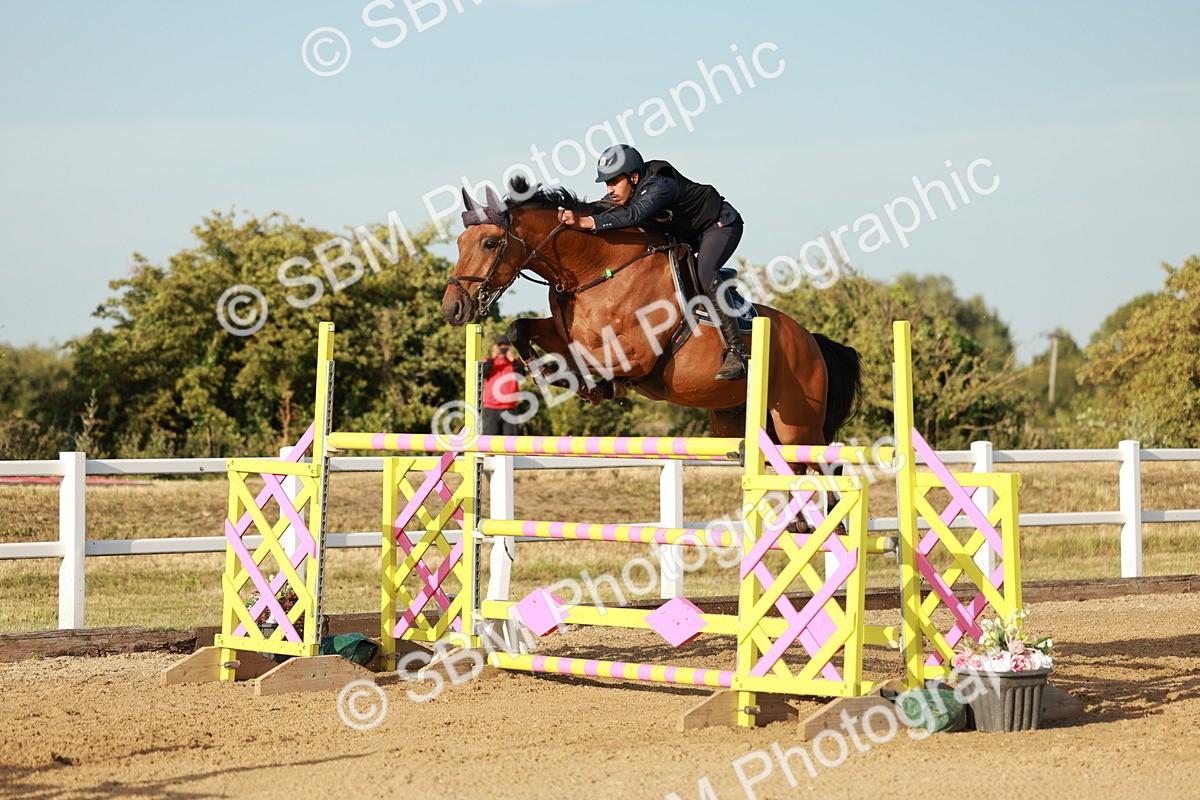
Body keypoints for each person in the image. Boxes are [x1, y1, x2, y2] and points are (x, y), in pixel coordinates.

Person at [556, 144, 749, 381]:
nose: (610, 189)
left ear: (634, 177)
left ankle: (737, 351)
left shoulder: (660, 185)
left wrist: (588, 222)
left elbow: (634, 215)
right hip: (686, 235)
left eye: (614, 181)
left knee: (705, 272)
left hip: (719, 225)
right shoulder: (625, 192)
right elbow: (602, 209)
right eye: (607, 183)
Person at [481, 334, 527, 436]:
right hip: (491, 408)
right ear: (494, 347)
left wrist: (512, 360)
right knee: (489, 443)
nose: (502, 348)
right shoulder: (488, 361)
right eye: (499, 346)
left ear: (509, 347)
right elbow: (483, 374)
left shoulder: (515, 363)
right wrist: (493, 358)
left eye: (505, 346)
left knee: (510, 445)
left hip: (510, 408)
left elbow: (522, 376)